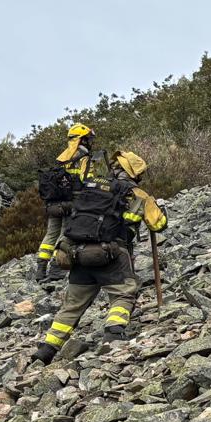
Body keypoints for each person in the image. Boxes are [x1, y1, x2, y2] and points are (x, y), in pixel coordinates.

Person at [29, 150, 168, 365]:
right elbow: (158, 224)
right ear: (135, 174)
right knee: (123, 294)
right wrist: (162, 211)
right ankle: (113, 335)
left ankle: (47, 349)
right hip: (111, 255)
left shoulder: (90, 187)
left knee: (72, 304)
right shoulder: (138, 195)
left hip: (77, 252)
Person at [34, 123, 103, 282]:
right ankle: (56, 270)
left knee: (50, 234)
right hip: (72, 202)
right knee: (66, 234)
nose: (90, 142)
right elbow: (87, 179)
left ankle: (40, 270)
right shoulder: (84, 156)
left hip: (55, 203)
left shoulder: (62, 156)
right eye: (87, 139)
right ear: (82, 140)